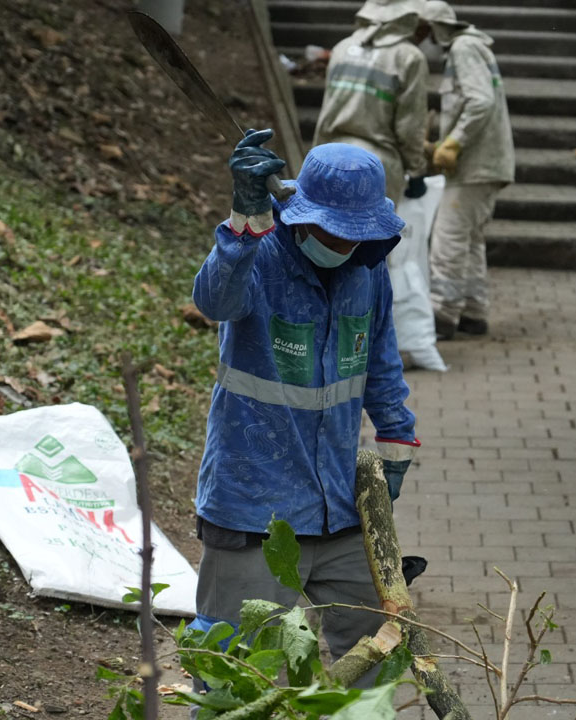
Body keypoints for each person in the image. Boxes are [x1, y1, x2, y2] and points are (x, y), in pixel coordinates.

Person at [188, 129, 419, 684]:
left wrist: (396, 433)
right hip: (252, 511)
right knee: (239, 675)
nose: (341, 245)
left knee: (380, 658)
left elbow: (381, 357)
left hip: (338, 506)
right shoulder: (257, 256)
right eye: (331, 232)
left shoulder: (367, 268)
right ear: (301, 215)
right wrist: (242, 224)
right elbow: (213, 301)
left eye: (354, 234)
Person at [422, 0, 514, 341]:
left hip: (476, 165)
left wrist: (454, 142)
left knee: (448, 237)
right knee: (471, 240)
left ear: (434, 28)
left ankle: (442, 314)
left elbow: (480, 101)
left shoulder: (463, 48)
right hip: (485, 164)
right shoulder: (471, 47)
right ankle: (474, 313)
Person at [313, 0, 431, 205]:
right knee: (368, 235)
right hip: (375, 166)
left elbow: (326, 110)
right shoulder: (409, 57)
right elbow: (410, 125)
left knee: (326, 233)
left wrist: (315, 157)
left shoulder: (342, 48)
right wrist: (416, 169)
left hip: (330, 157)